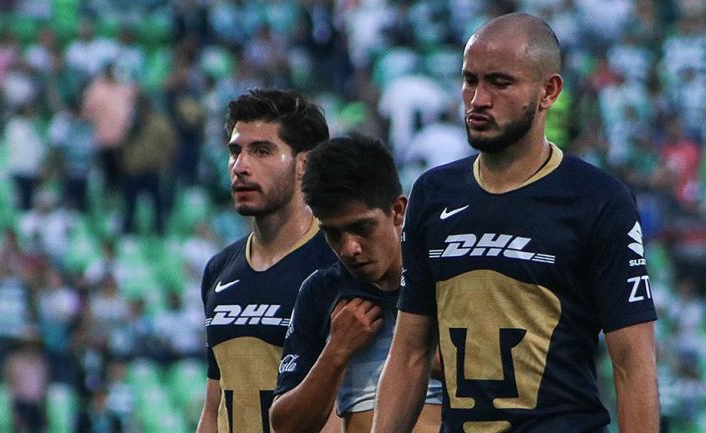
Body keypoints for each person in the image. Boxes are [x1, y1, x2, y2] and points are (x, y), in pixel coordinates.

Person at [371, 13, 659, 433]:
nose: (478, 99)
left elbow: (633, 364)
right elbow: (410, 353)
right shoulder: (432, 195)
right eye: (470, 80)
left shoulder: (598, 199)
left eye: (500, 83)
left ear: (549, 91)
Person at [270, 133, 443, 433]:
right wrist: (336, 351)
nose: (349, 248)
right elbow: (285, 426)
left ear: (398, 211)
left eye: (361, 227)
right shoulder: (322, 292)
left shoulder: (444, 277)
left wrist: (430, 356)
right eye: (333, 233)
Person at [197, 88, 337, 433]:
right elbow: (214, 407)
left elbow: (346, 408)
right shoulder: (219, 270)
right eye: (235, 152)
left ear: (304, 164)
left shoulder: (338, 264)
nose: (240, 167)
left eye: (261, 151)